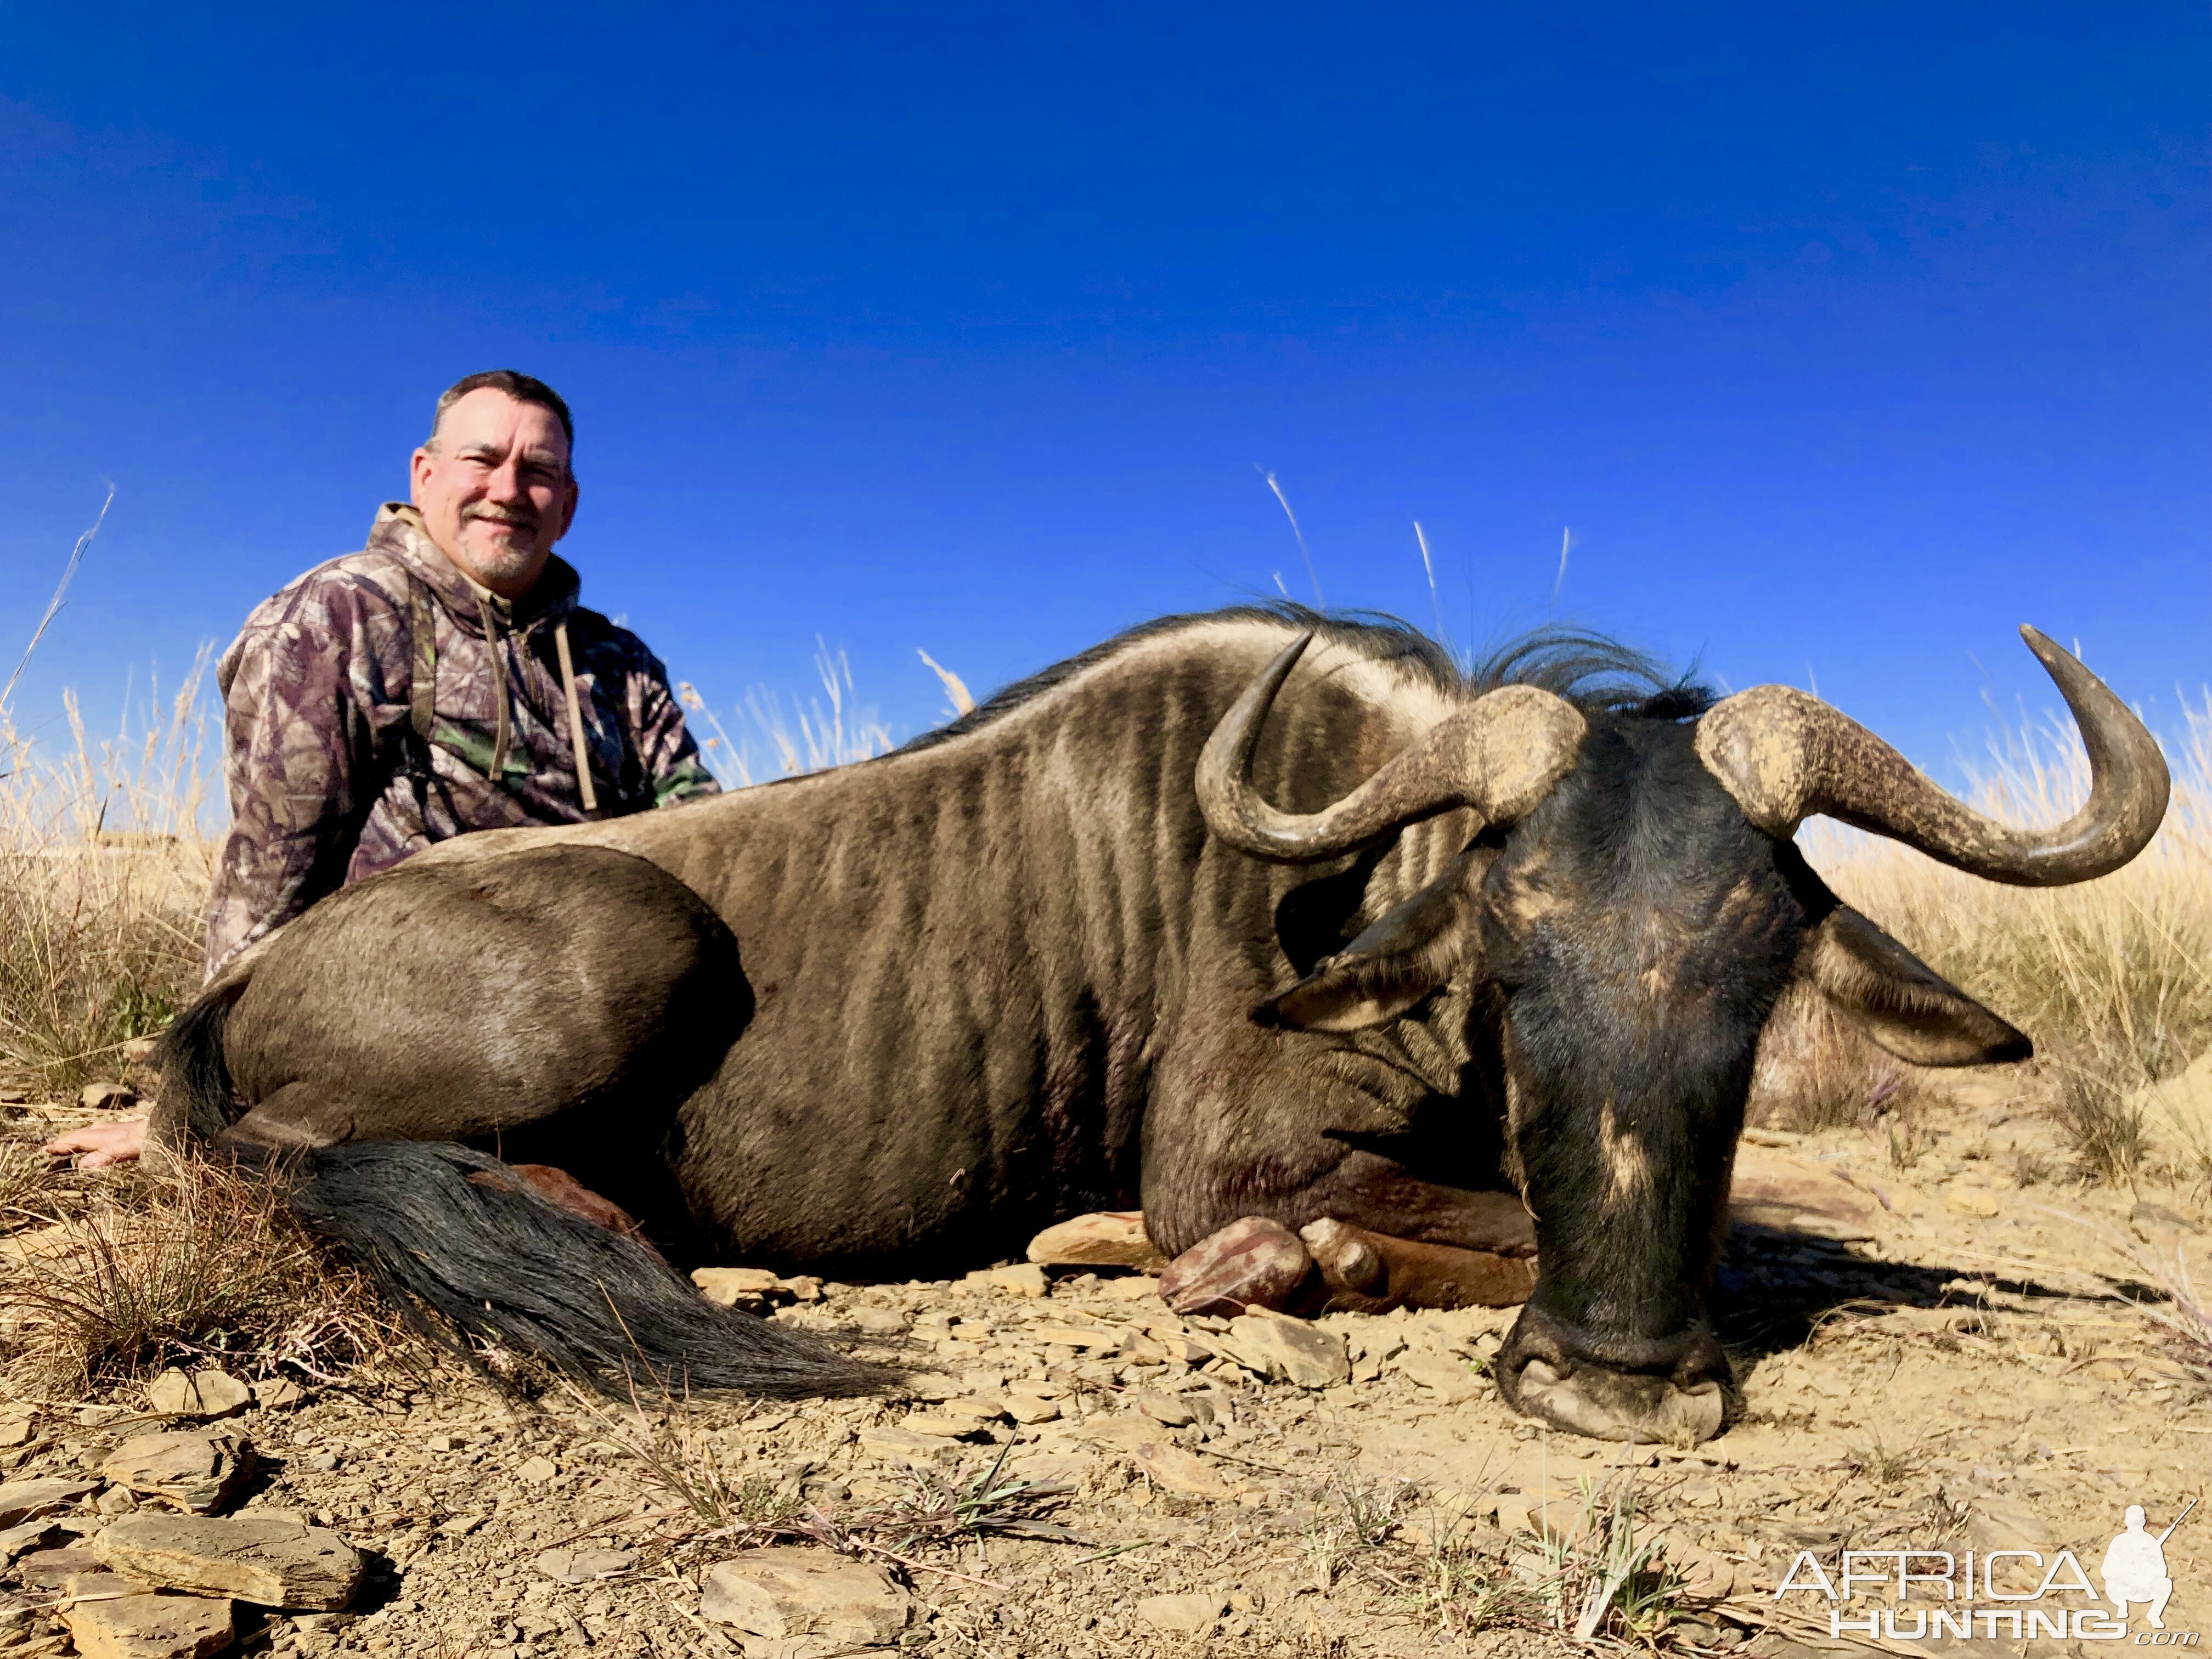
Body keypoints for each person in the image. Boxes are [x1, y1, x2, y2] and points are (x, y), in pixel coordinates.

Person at [47, 370, 721, 1167]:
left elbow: (703, 833)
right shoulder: (340, 614)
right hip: (407, 1020)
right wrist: (196, 1112)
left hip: (602, 1006)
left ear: (568, 504)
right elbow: (273, 873)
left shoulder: (620, 663)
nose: (508, 489)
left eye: (538, 472)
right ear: (425, 475)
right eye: (484, 459)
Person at [2100, 1504, 2175, 1629]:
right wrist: (2125, 1571)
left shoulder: (2151, 1542)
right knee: (2111, 1583)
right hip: (2124, 1589)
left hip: (2145, 1590)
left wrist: (2146, 1570)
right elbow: (2106, 1570)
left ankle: (2154, 1615)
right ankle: (2122, 1606)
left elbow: (2162, 1571)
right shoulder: (2119, 1541)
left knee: (2166, 1584)